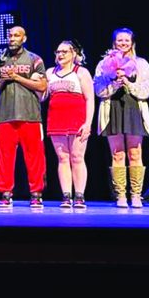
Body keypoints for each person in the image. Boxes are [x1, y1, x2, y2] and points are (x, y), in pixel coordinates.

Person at [93, 28, 149, 208]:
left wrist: (128, 82)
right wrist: (114, 84)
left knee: (135, 153)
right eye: (119, 40)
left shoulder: (141, 63)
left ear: (132, 42)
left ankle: (136, 195)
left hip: (134, 108)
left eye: (126, 40)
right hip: (113, 108)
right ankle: (120, 195)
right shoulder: (103, 63)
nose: (123, 43)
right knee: (117, 153)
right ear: (114, 43)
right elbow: (98, 89)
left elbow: (148, 89)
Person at [0, 25, 48, 209]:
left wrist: (17, 77)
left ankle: (36, 193)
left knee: (35, 157)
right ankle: (5, 193)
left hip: (30, 115)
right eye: (10, 35)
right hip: (5, 115)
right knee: (4, 157)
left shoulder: (34, 59)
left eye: (17, 35)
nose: (12, 38)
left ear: (24, 38)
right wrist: (3, 80)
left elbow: (41, 86)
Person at [45, 41, 95, 209]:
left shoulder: (81, 72)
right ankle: (66, 196)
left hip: (77, 119)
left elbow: (90, 99)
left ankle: (79, 195)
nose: (60, 55)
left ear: (73, 53)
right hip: (56, 119)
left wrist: (88, 123)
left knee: (77, 157)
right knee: (63, 158)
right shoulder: (50, 72)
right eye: (58, 51)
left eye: (64, 51)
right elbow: (42, 96)